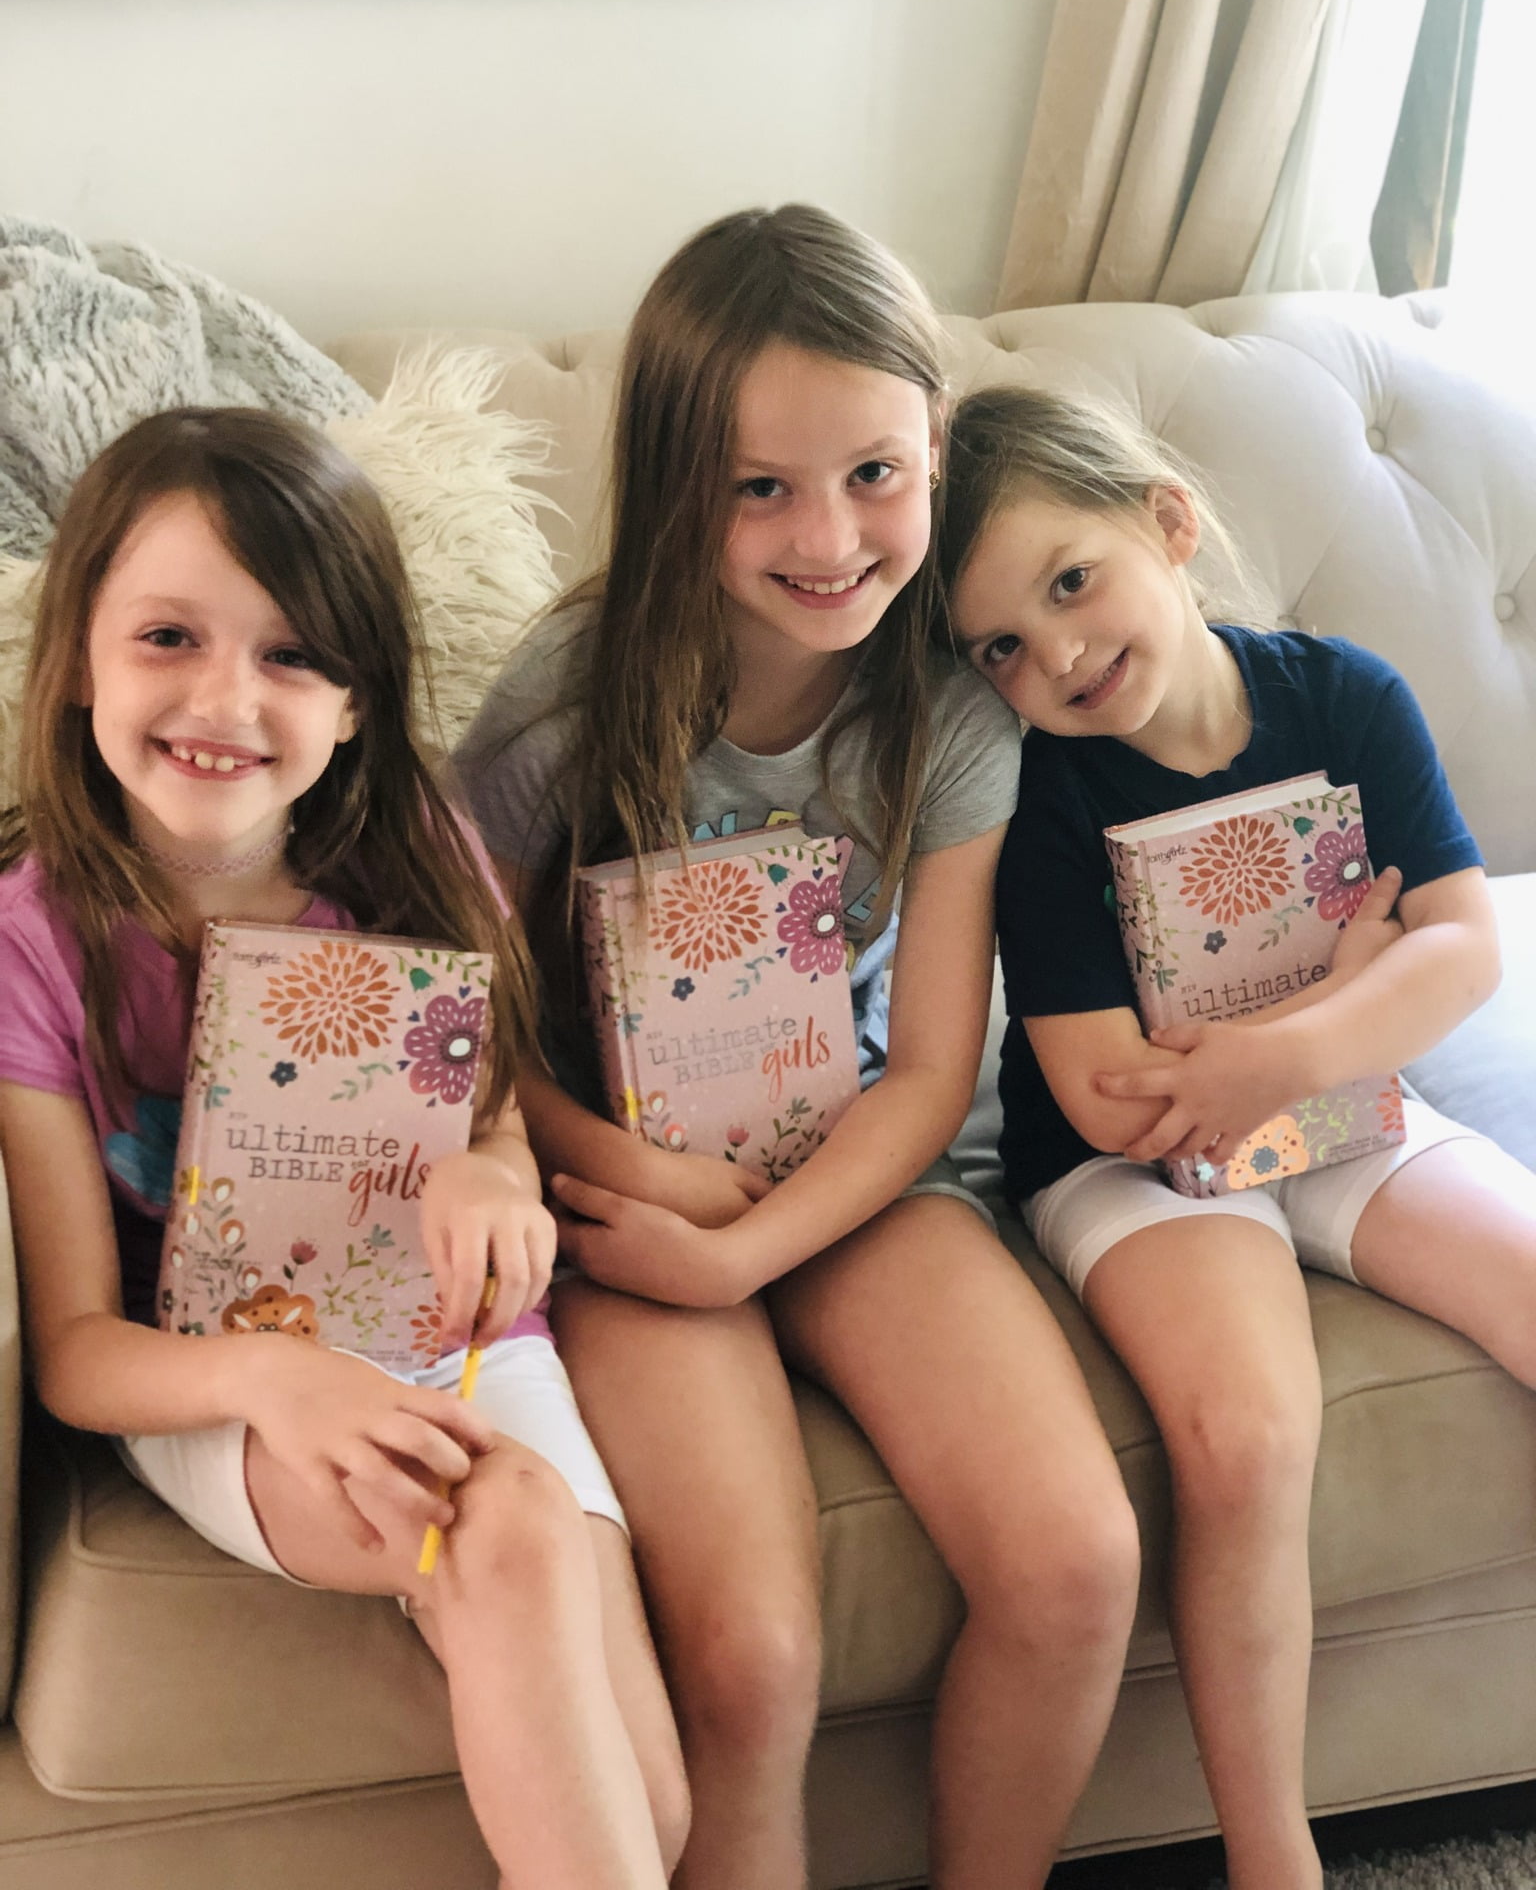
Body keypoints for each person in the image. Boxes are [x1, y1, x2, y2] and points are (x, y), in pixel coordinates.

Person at [456, 205, 1141, 1890]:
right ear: (676, 478)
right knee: (755, 1659)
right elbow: (468, 1035)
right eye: (761, 485)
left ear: (933, 452)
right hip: (621, 1193)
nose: (829, 536)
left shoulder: (954, 708)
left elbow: (925, 1075)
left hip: (860, 1181)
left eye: (876, 474)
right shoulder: (562, 705)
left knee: (1074, 1564)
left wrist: (750, 1241)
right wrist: (645, 1190)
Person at [0, 408, 689, 1890]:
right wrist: (273, 1376)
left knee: (660, 1821)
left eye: (293, 654)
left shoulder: (420, 854)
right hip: (223, 1370)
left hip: (459, 1339)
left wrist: (496, 1178)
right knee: (505, 1523)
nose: (225, 698)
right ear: (76, 662)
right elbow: (71, 1347)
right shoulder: (33, 941)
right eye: (169, 636)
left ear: (359, 701)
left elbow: (496, 1117)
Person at [936, 383, 1536, 1890]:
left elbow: (1460, 948)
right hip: (1133, 1170)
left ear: (1168, 523)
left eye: (1071, 583)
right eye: (1000, 643)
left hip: (1334, 1107)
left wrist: (1298, 1043)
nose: (1056, 655)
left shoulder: (1343, 696)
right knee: (1251, 1435)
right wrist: (1340, 983)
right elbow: (1106, 1097)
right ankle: (1278, 1861)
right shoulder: (1038, 790)